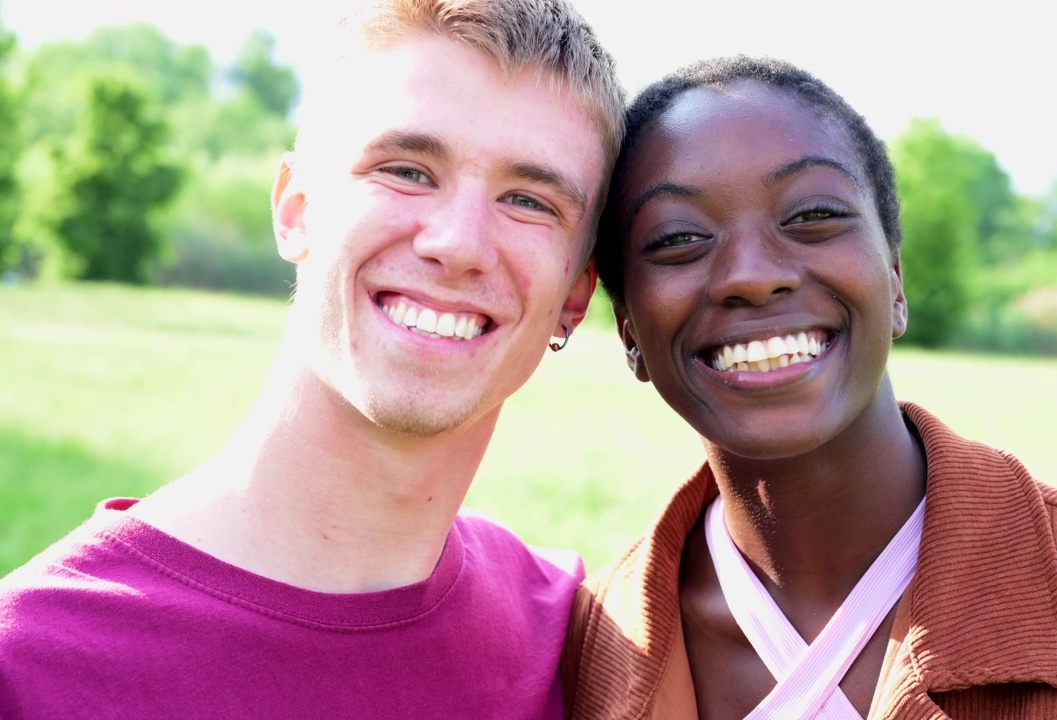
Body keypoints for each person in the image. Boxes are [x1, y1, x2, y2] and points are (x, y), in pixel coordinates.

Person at [563, 57, 1057, 719]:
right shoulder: (588, 646)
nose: (751, 274)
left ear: (895, 279)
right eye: (679, 238)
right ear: (627, 327)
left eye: (811, 217)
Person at [0, 1, 624, 717]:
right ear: (296, 209)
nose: (458, 243)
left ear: (577, 293)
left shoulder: (577, 643)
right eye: (408, 170)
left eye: (528, 200)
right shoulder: (30, 665)